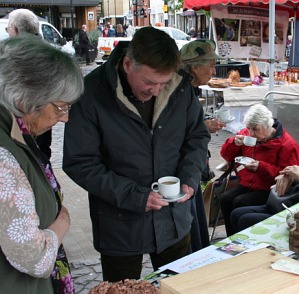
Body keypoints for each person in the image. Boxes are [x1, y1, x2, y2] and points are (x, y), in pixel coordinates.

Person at [62, 27, 210, 282]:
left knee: (177, 286)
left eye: (163, 83)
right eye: (150, 82)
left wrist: (189, 176)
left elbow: (196, 137)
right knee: (121, 288)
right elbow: (79, 162)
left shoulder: (181, 87)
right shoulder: (91, 92)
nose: (156, 91)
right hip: (119, 224)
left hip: (174, 219)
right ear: (128, 63)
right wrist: (134, 196)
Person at [0, 35, 84, 293]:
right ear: (25, 99)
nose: (65, 117)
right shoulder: (3, 155)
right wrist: (63, 222)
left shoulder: (14, 133)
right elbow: (33, 258)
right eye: (60, 107)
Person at [219, 104, 299, 236]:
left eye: (255, 129)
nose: (250, 133)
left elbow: (289, 177)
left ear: (267, 126)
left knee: (239, 201)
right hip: (247, 183)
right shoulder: (247, 135)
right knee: (225, 199)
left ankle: (244, 237)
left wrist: (261, 167)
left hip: (270, 189)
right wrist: (234, 142)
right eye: (248, 128)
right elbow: (226, 155)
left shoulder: (287, 145)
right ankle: (232, 238)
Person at [180, 39, 226, 250]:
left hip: (189, 170)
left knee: (195, 224)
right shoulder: (179, 91)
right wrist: (203, 126)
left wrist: (203, 125)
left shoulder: (188, 89)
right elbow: (178, 131)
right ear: (195, 66)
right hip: (184, 172)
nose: (214, 70)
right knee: (190, 229)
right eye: (211, 65)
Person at [7, 9, 53, 160]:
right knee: (42, 154)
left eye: (8, 28)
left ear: (15, 29)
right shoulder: (50, 52)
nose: (8, 32)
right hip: (44, 116)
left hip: (19, 119)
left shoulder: (11, 53)